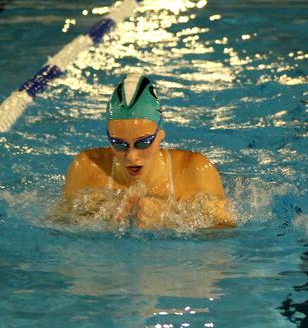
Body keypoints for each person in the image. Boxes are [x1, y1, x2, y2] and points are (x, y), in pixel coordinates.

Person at [61, 73, 234, 229]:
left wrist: (170, 218)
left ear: (160, 135)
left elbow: (225, 232)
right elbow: (57, 224)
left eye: (143, 143)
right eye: (119, 144)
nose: (131, 156)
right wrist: (93, 216)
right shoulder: (86, 167)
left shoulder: (194, 170)